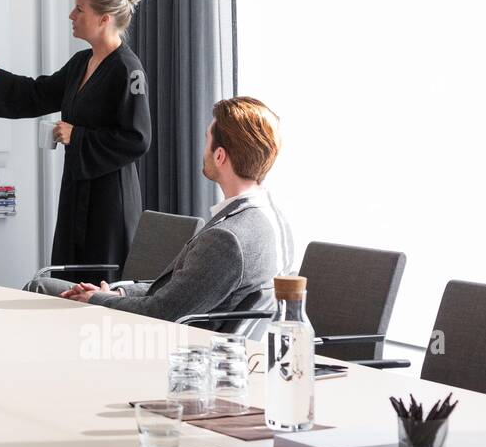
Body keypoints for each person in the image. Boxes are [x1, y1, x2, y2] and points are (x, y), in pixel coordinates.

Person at [0, 0, 151, 283]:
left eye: (79, 9)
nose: (71, 16)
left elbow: (137, 139)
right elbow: (40, 93)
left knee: (99, 283)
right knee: (68, 278)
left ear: (104, 18)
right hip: (76, 189)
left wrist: (79, 136)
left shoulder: (128, 69)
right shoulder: (81, 62)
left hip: (109, 200)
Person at [36, 96, 293, 322]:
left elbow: (163, 312)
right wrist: (117, 293)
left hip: (166, 344)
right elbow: (178, 290)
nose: (203, 150)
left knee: (39, 288)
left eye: (207, 140)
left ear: (220, 156)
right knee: (44, 286)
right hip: (184, 326)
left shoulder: (226, 239)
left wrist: (96, 300)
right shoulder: (272, 221)